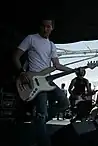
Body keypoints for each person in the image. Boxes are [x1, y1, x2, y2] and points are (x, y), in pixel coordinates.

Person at [13, 18, 71, 146]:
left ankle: (39, 121)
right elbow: (15, 56)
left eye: (48, 27)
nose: (46, 29)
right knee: (42, 113)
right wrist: (22, 73)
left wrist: (76, 71)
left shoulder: (51, 45)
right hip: (34, 80)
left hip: (47, 80)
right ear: (40, 27)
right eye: (43, 26)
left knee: (64, 102)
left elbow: (57, 65)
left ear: (52, 28)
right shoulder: (31, 38)